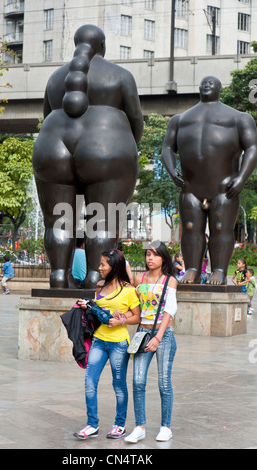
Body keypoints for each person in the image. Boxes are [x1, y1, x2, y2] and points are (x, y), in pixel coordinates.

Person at [32, 24, 143, 289]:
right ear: (102, 46)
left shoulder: (56, 78)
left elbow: (46, 115)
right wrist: (126, 150)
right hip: (106, 145)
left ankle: (58, 275)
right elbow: (136, 120)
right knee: (102, 222)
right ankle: (95, 276)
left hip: (52, 146)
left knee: (58, 221)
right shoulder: (121, 75)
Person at [161, 76, 257, 285]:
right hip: (190, 186)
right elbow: (167, 148)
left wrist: (241, 178)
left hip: (224, 187)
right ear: (198, 88)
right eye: (204, 83)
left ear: (220, 89)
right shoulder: (180, 119)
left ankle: (220, 270)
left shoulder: (239, 118)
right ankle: (193, 268)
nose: (207, 85)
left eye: (211, 83)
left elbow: (252, 148)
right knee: (190, 228)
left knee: (221, 228)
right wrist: (171, 169)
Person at [74, 249, 140, 440]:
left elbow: (137, 316)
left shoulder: (129, 290)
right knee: (89, 382)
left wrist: (121, 321)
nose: (100, 268)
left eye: (103, 264)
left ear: (114, 267)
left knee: (118, 385)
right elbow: (98, 312)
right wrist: (90, 306)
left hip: (119, 343)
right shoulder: (100, 287)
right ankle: (92, 425)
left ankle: (119, 425)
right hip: (99, 340)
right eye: (100, 264)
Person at [125, 241, 177, 444]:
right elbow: (136, 309)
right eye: (148, 254)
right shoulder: (140, 279)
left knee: (164, 382)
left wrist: (158, 337)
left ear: (163, 258)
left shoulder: (170, 280)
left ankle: (166, 427)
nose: (150, 258)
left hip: (163, 335)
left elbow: (169, 311)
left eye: (155, 255)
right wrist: (124, 314)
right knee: (138, 381)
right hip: (142, 333)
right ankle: (139, 427)